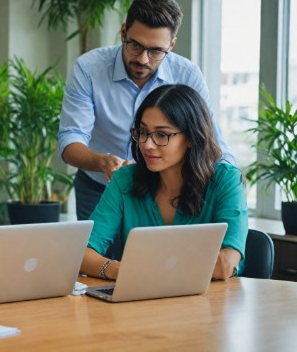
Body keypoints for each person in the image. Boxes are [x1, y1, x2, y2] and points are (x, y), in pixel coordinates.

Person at [57, 0, 235, 222]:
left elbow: (211, 140)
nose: (143, 59)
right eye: (135, 45)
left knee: (154, 257)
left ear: (171, 45)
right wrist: (103, 162)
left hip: (165, 190)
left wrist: (231, 183)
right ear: (123, 32)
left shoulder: (187, 74)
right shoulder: (88, 69)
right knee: (96, 256)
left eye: (156, 51)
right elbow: (70, 139)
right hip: (99, 187)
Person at [79, 84, 248, 281]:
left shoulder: (226, 180)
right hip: (141, 301)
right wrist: (116, 269)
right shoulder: (124, 179)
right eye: (143, 132)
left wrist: (142, 269)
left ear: (192, 138)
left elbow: (225, 265)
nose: (147, 145)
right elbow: (82, 254)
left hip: (210, 304)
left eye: (161, 134)